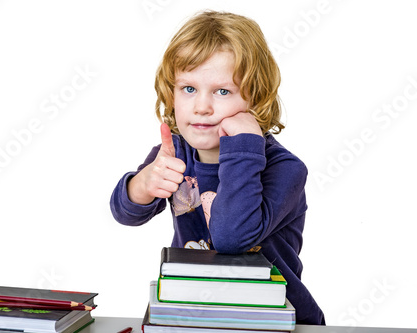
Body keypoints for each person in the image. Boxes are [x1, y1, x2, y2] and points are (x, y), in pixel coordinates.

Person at [110, 10, 325, 325]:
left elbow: (231, 238)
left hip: (273, 317)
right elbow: (125, 213)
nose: (201, 106)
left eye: (222, 91)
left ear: (255, 97)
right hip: (194, 310)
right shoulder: (175, 152)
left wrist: (244, 145)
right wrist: (143, 184)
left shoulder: (285, 169)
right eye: (188, 89)